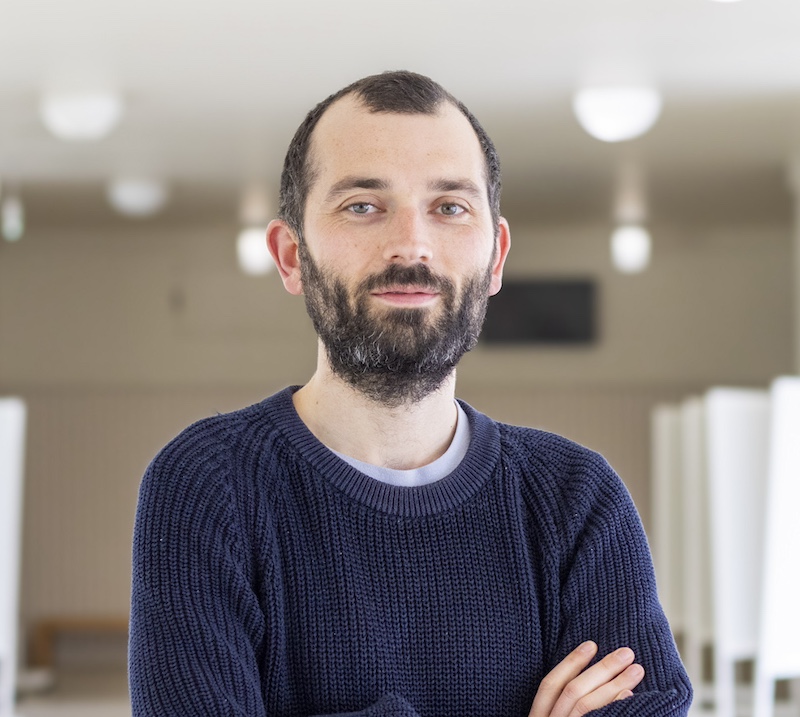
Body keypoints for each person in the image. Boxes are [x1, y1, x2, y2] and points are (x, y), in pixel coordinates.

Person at [129, 71, 692, 717]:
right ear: (291, 255)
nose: (411, 246)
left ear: (497, 255)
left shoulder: (574, 496)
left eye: (450, 206)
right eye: (362, 205)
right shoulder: (207, 484)